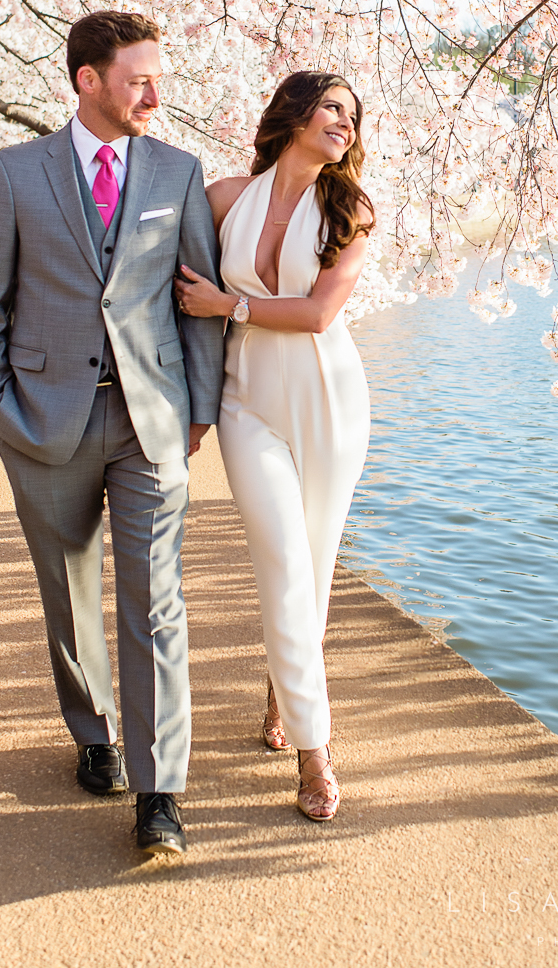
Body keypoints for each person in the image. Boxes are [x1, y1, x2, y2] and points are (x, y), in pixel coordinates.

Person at [0, 10, 224, 856]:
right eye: (139, 78)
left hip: (149, 423)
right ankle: (95, 732)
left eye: (157, 77)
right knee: (70, 595)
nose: (155, 93)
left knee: (156, 603)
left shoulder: (178, 173)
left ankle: (159, 792)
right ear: (89, 81)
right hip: (42, 421)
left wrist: (200, 410)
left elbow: (197, 303)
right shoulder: (15, 174)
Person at [174, 71, 374, 821]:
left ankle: (282, 691)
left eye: (353, 116)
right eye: (332, 107)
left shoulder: (348, 208)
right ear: (294, 113)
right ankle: (316, 752)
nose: (345, 123)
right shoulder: (226, 198)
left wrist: (231, 304)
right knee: (285, 561)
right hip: (244, 401)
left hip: (330, 402)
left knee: (314, 568)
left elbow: (322, 314)